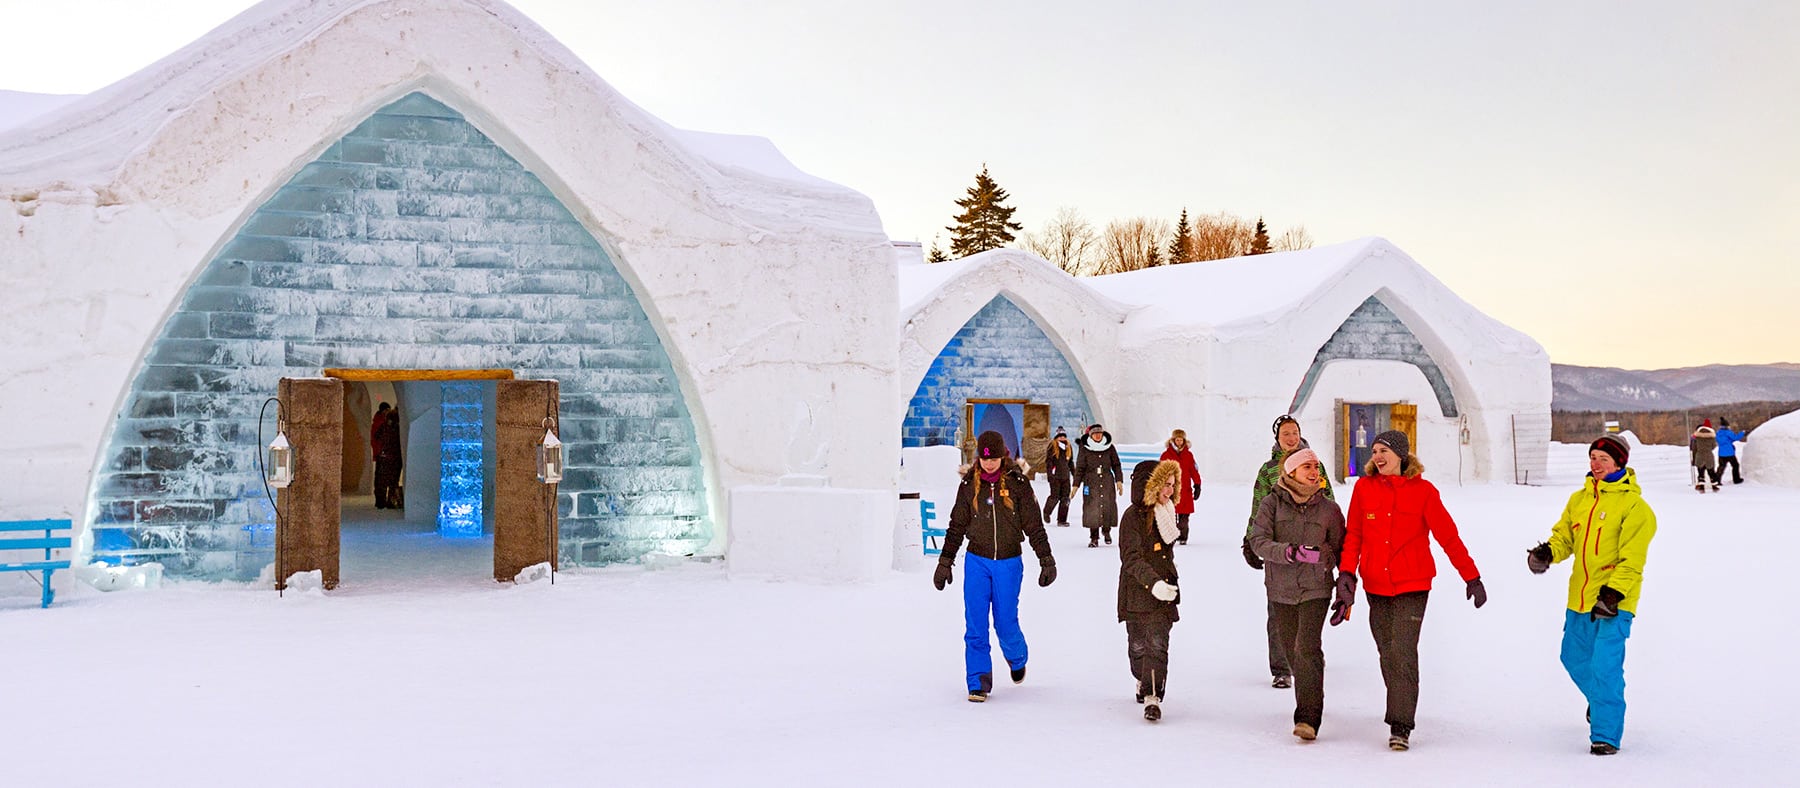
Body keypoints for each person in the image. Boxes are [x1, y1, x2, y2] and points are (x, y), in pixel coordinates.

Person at [1334, 430, 1485, 752]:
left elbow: (1448, 537)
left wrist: (1471, 576)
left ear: (1401, 455)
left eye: (1384, 450)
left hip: (1413, 585)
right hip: (1376, 585)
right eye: (1375, 451)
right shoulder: (1364, 488)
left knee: (1402, 652)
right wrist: (1346, 574)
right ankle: (1401, 701)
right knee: (1387, 652)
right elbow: (1354, 535)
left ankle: (1400, 724)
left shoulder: (1424, 492)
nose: (1377, 456)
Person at [1526, 433, 1656, 756]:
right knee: (1572, 656)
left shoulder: (1636, 508)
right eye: (1593, 458)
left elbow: (1632, 560)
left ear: (1619, 463)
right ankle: (1599, 701)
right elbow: (1564, 538)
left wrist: (1613, 594)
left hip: (1614, 601)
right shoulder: (1579, 500)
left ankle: (1605, 735)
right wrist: (1547, 553)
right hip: (1580, 599)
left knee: (1605, 667)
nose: (1596, 465)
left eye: (1604, 459)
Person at [933, 430, 1057, 702]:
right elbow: (957, 526)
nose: (989, 464)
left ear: (1003, 456)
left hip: (1008, 563)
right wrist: (945, 562)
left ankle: (1017, 656)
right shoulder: (969, 485)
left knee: (1005, 622)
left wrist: (1046, 559)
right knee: (975, 623)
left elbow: (1034, 526)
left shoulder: (1018, 483)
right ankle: (978, 681)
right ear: (979, 457)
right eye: (985, 459)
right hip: (977, 562)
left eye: (994, 458)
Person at [1248, 447, 1345, 742]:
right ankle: (1311, 683)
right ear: (1291, 472)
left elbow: (1341, 549)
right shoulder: (1272, 503)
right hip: (1281, 589)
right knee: (1293, 651)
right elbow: (1257, 540)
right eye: (1307, 467)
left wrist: (1342, 582)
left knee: (1307, 647)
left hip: (1316, 588)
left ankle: (1308, 717)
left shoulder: (1329, 510)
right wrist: (1289, 552)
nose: (1314, 472)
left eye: (1316, 466)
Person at [1244, 414, 1335, 689]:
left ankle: (1308, 658)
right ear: (1277, 438)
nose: (1291, 438)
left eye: (1294, 432)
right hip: (1281, 550)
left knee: (1310, 608)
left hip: (1311, 549)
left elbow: (1328, 501)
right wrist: (1250, 539)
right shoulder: (1269, 470)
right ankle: (1282, 667)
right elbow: (1259, 505)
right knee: (1278, 612)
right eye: (1286, 433)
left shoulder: (1314, 465)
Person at [1117, 459, 1182, 722]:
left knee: (1157, 644)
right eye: (1165, 485)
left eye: (1172, 485)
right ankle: (1141, 678)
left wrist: (1165, 584)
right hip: (1137, 593)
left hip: (1163, 594)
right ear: (1150, 485)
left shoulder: (1167, 512)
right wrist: (1153, 583)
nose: (1169, 491)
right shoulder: (1132, 517)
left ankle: (1152, 696)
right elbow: (1131, 558)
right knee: (1138, 647)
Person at [1074, 423, 1123, 548]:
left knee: (1107, 506)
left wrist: (1119, 481)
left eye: (1099, 433)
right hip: (1091, 481)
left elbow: (1116, 465)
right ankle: (1094, 537)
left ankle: (1106, 531)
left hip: (1107, 481)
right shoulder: (1085, 448)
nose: (1098, 436)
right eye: (1095, 434)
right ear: (1091, 435)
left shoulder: (1110, 447)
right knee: (1092, 508)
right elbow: (1080, 468)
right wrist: (1075, 485)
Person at [1159, 429, 1202, 544]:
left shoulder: (1188, 455)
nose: (1179, 442)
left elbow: (1193, 471)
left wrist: (1197, 484)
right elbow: (1161, 472)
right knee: (1171, 515)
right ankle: (1173, 536)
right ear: (1173, 440)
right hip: (1171, 490)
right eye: (1177, 440)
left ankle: (1183, 537)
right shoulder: (1166, 455)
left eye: (1181, 440)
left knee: (1184, 517)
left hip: (1185, 490)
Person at [371, 402, 404, 509]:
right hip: (394, 456)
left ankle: (382, 502)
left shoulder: (383, 425)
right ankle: (390, 501)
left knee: (382, 480)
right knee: (393, 480)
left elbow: (376, 437)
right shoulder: (397, 427)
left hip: (384, 455)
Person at [1042, 428, 1074, 526]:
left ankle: (1062, 520)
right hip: (1055, 477)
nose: (1062, 438)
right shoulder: (1052, 446)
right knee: (1054, 497)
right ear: (1056, 437)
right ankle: (1047, 512)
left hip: (1065, 477)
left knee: (1065, 499)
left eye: (1063, 436)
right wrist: (1050, 475)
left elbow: (1070, 462)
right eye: (1060, 436)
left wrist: (1075, 474)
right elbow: (1049, 462)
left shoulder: (1068, 447)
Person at [1689, 420, 1719, 493]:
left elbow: (1694, 448)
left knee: (1701, 472)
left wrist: (1694, 457)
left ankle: (1701, 487)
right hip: (1709, 456)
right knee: (1711, 471)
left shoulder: (1697, 437)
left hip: (1699, 455)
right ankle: (1714, 486)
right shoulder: (1711, 437)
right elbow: (1713, 446)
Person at [1714, 417, 1746, 485]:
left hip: (1721, 453)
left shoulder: (1718, 433)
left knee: (1721, 467)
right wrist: (1742, 433)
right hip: (1730, 453)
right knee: (1735, 465)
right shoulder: (1728, 432)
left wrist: (1730, 441)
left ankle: (1716, 480)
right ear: (1727, 426)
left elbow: (1725, 441)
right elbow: (1735, 437)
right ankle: (1736, 479)